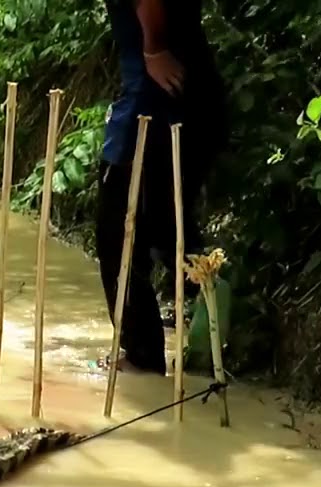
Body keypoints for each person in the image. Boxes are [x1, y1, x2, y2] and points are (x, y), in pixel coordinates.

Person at [94, 0, 228, 374]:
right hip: (191, 99)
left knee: (117, 236)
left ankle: (142, 357)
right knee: (170, 230)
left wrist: (153, 49)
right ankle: (217, 331)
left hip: (152, 106)